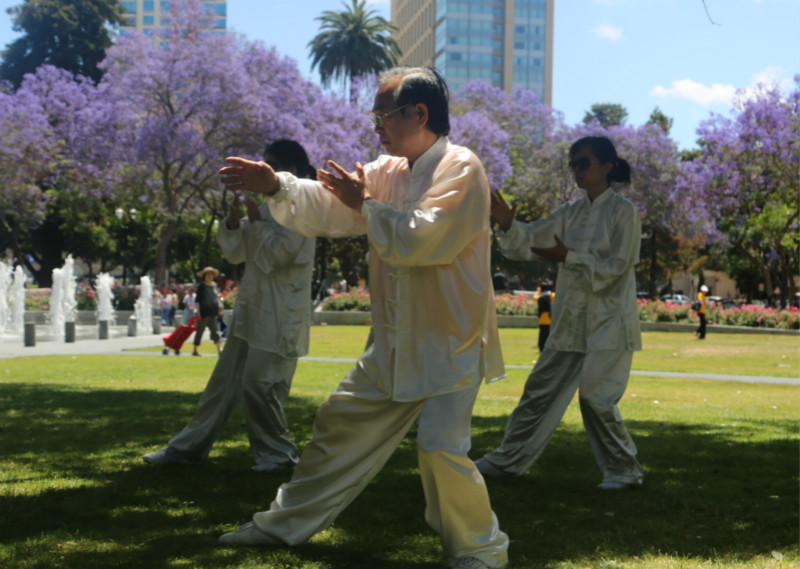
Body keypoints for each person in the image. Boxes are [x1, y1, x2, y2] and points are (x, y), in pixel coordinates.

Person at [217, 66, 508, 569]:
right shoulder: (389, 170)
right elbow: (332, 203)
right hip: (393, 343)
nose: (376, 124)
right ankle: (281, 524)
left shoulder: (462, 168)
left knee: (441, 447)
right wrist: (278, 185)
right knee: (339, 421)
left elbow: (422, 238)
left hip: (449, 341)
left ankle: (479, 550)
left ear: (419, 114)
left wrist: (365, 204)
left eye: (384, 114)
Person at [475, 135, 644, 491]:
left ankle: (624, 471)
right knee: (539, 391)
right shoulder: (572, 211)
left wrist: (570, 257)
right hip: (569, 319)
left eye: (583, 163)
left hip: (609, 321)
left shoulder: (623, 212)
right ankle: (507, 460)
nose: (576, 170)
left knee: (596, 398)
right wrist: (507, 224)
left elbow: (619, 266)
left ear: (607, 167)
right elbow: (533, 236)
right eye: (573, 163)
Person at [142, 140, 316, 472]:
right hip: (252, 308)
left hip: (280, 313)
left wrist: (256, 226)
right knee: (222, 383)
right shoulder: (267, 207)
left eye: (271, 164)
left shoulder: (304, 206)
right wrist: (237, 225)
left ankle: (278, 456)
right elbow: (238, 254)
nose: (262, 169)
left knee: (262, 384)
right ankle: (187, 448)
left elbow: (280, 255)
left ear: (292, 171)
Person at [191, 267, 222, 356]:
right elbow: (197, 300)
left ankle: (219, 350)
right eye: (207, 275)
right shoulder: (201, 286)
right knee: (200, 331)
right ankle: (195, 350)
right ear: (204, 276)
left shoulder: (215, 285)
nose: (209, 276)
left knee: (215, 331)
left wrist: (219, 310)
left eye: (211, 275)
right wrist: (197, 312)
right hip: (203, 313)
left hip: (213, 313)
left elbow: (217, 299)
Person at [534, 281, 553, 352]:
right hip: (550, 318)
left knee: (542, 335)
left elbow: (534, 297)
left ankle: (541, 348)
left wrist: (538, 291)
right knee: (548, 334)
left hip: (542, 319)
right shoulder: (551, 296)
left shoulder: (540, 298)